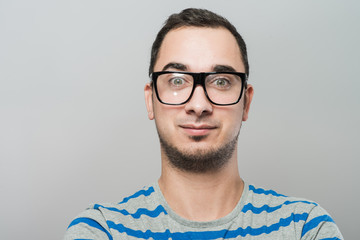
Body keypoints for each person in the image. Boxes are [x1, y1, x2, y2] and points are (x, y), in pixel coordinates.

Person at [64, 8, 343, 240]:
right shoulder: (101, 230)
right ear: (150, 100)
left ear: (246, 102)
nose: (199, 105)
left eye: (221, 82)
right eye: (177, 80)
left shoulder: (305, 227)